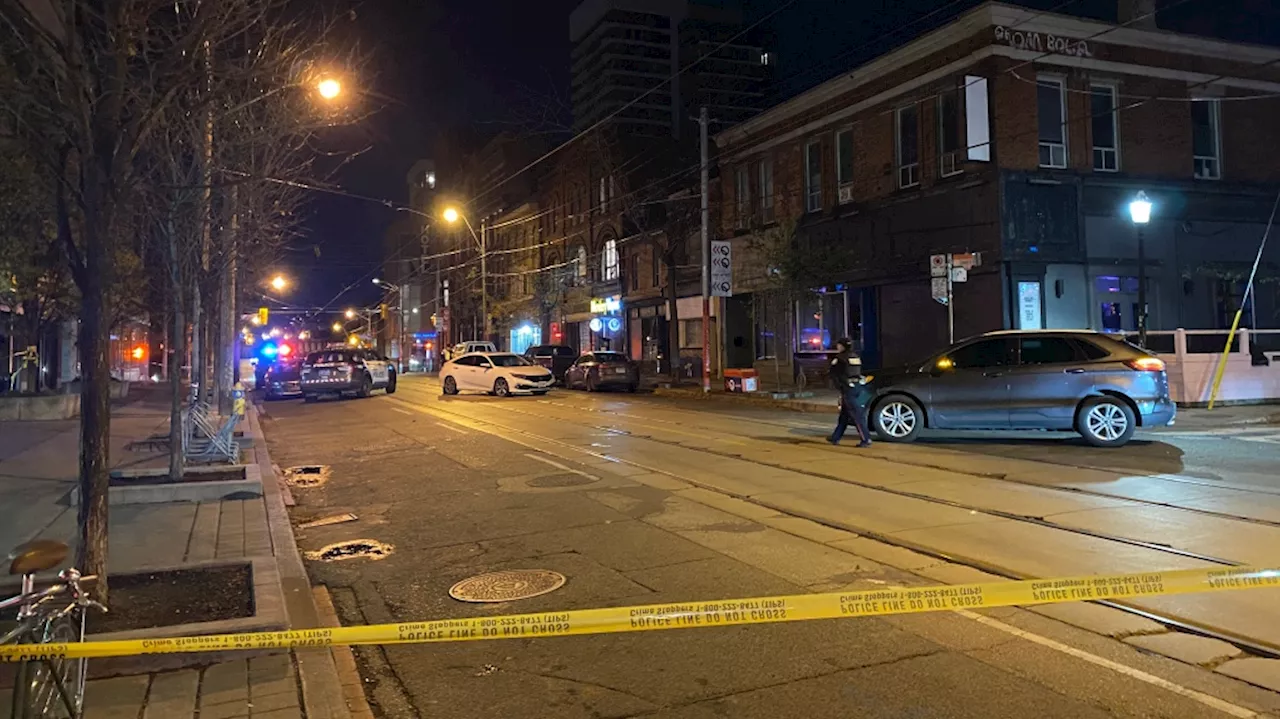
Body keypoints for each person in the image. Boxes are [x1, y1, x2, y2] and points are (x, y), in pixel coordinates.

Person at [827, 337, 871, 448]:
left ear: (842, 346)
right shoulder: (855, 357)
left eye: (838, 345)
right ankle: (835, 437)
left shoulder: (840, 358)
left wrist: (840, 386)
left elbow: (833, 373)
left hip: (848, 389)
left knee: (857, 415)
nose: (837, 347)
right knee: (844, 415)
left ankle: (866, 439)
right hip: (857, 387)